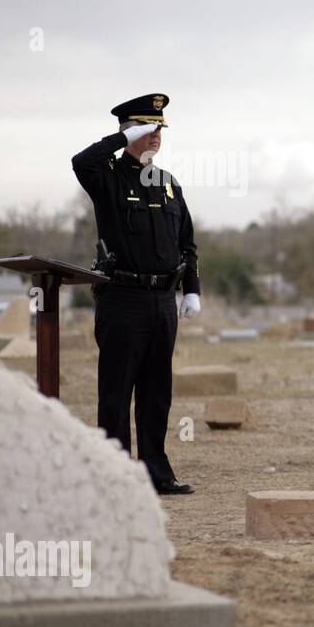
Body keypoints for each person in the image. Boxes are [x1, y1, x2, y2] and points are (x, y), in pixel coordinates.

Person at [71, 94, 199, 496]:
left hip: (163, 302)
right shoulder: (107, 176)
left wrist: (191, 289)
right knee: (116, 391)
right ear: (131, 129)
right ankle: (114, 475)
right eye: (148, 128)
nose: (156, 136)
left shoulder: (168, 184)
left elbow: (187, 245)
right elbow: (81, 161)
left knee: (157, 391)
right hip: (122, 298)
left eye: (159, 129)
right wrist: (121, 137)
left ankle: (155, 473)